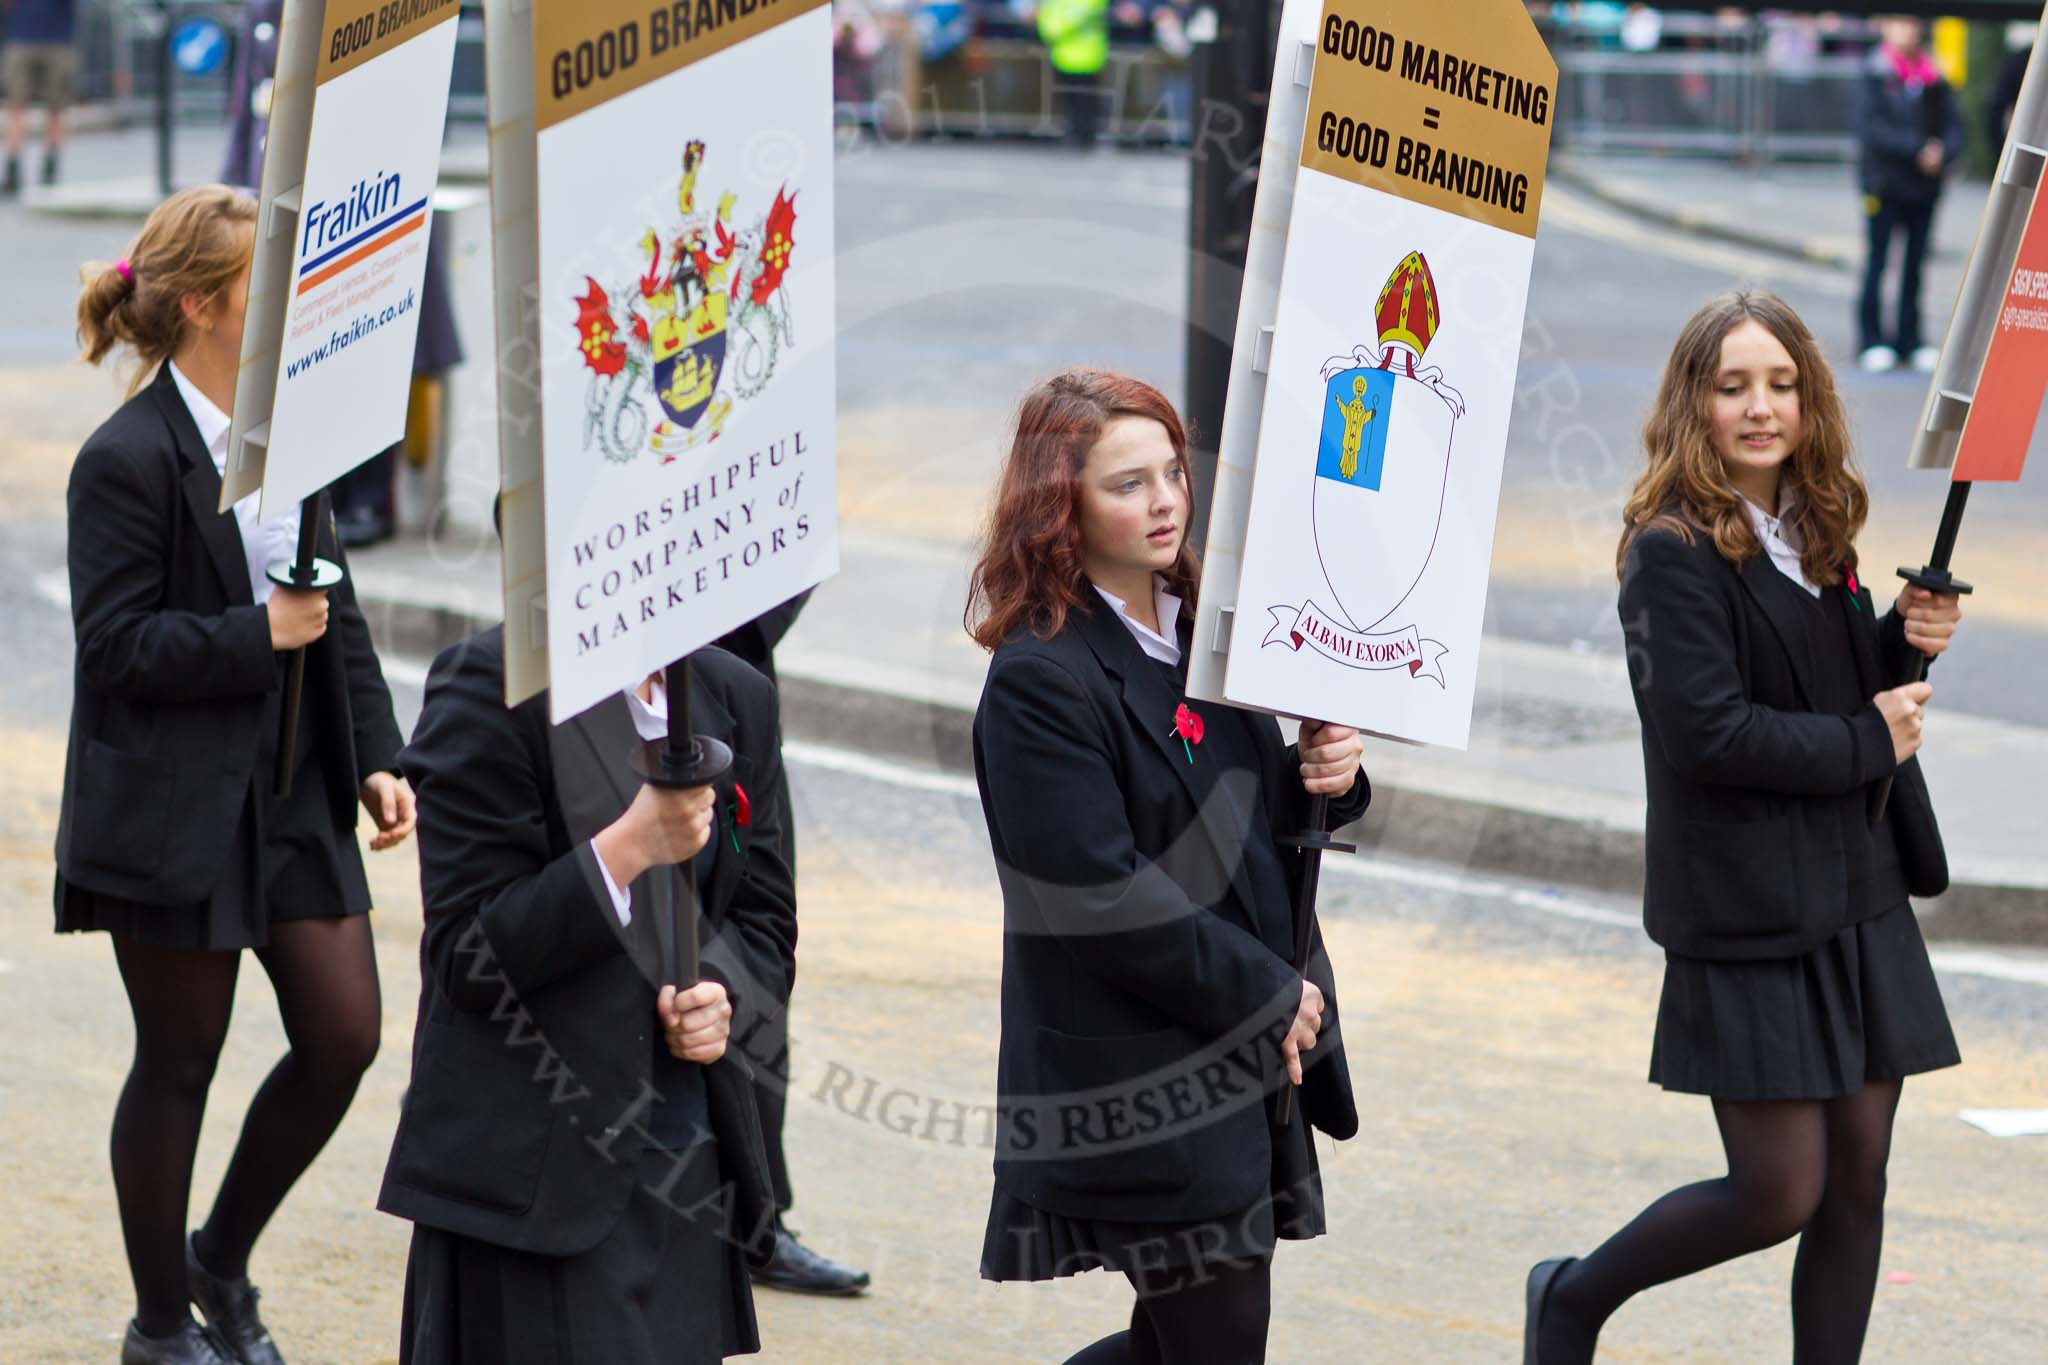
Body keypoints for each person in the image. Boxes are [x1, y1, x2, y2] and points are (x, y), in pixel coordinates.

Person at [1524, 291, 1964, 1365]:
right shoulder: (1667, 551)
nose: (1758, 408)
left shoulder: (1814, 526)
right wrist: (1869, 738)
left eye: (1779, 385)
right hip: (1746, 902)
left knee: (1858, 1174)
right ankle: (1572, 1299)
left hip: (1852, 887)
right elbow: (1706, 734)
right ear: (1694, 405)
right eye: (1732, 388)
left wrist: (1902, 643)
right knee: (1777, 1191)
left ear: (1807, 401)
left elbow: (1829, 684)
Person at [58, 184, 417, 1365]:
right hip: (170, 807)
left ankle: (220, 1253)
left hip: (292, 792)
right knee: (180, 1063)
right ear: (211, 306)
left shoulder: (293, 433)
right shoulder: (125, 458)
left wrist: (376, 758)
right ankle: (162, 1325)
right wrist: (252, 635)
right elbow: (112, 647)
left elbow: (336, 606)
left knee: (345, 1036)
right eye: (273, 285)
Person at [966, 369, 1369, 1364]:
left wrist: (1325, 776)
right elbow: (1095, 892)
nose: (1162, 503)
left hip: (1238, 1045)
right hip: (1141, 1065)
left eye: (1171, 476)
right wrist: (1268, 993)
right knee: (1217, 1341)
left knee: (1181, 1343)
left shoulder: (1208, 631)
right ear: (1058, 504)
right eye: (1125, 484)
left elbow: (1231, 818)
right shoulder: (1039, 676)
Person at [380, 618, 798, 1363]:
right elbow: (467, 956)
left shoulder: (738, 695)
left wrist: (722, 998)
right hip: (533, 1174)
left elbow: (765, 922)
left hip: (688, 1159)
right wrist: (628, 848)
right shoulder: (490, 680)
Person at [711, 595, 874, 1298]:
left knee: (754, 951)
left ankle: (758, 1215)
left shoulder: (741, 686)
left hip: (727, 677)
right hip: (604, 673)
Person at [1853, 16, 1965, 374]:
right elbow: (1873, 129)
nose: (1908, 30)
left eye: (1914, 23)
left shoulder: (1934, 75)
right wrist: (1918, 149)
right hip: (1884, 185)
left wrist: (1943, 152)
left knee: (1915, 267)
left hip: (1923, 188)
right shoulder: (1875, 73)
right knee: (1879, 261)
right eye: (1900, 22)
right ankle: (1872, 339)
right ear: (1885, 27)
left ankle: (1909, 339)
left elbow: (1954, 126)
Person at [2, 0, 77, 194]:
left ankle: (50, 170)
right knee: (16, 106)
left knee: (56, 108)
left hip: (58, 41)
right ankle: (13, 169)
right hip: (22, 38)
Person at [1037, 0, 1111, 148]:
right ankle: (1074, 132)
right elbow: (1046, 13)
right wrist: (1050, 30)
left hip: (1087, 55)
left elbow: (1081, 14)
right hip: (1063, 55)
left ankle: (1087, 135)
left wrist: (1057, 29)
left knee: (1085, 99)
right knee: (1068, 98)